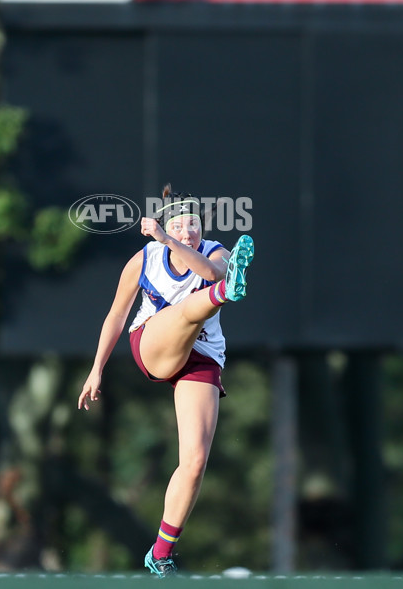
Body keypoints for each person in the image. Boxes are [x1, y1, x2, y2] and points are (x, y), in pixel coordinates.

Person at [77, 185, 254, 577]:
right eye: (178, 224)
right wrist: (96, 369)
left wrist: (175, 242)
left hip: (201, 358)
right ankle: (225, 295)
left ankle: (160, 554)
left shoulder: (216, 251)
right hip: (153, 345)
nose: (187, 230)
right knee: (189, 312)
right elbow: (116, 317)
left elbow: (213, 270)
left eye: (192, 224)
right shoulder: (145, 259)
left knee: (194, 462)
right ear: (165, 227)